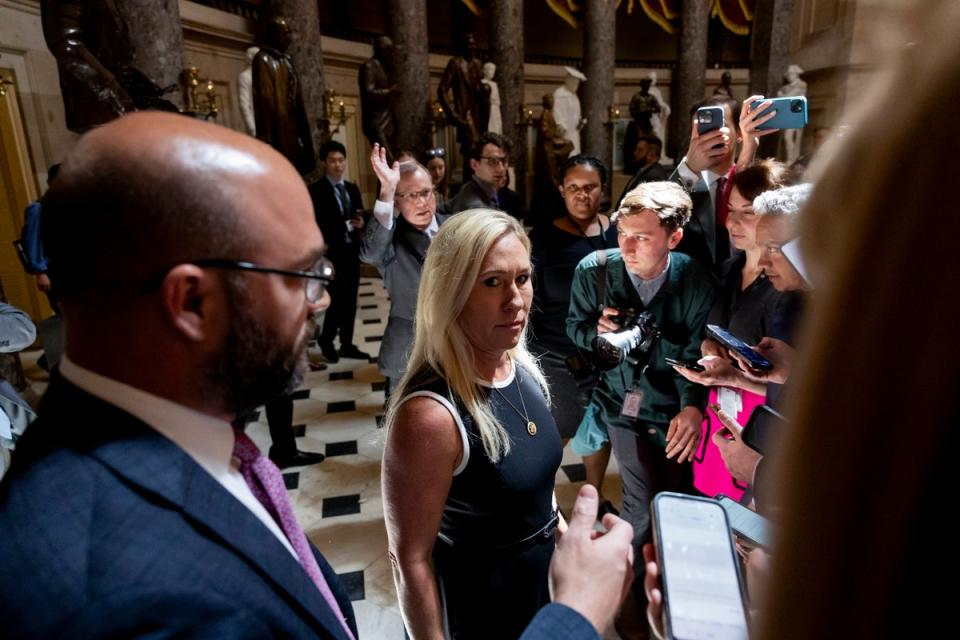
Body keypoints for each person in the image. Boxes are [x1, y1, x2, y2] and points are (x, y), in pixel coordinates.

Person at [0, 112, 358, 638]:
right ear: (191, 302)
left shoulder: (196, 434)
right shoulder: (117, 599)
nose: (321, 299)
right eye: (303, 275)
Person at [383, 209, 565, 639]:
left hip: (541, 589)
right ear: (452, 292)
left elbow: (540, 489)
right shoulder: (430, 416)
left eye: (523, 278)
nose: (515, 300)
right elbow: (409, 560)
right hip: (484, 609)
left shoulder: (520, 368)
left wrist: (571, 551)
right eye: (492, 282)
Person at [566, 180, 718, 635]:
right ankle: (624, 594)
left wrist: (692, 408)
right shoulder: (594, 270)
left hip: (673, 405)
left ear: (673, 238)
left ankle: (666, 590)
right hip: (619, 403)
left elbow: (698, 349)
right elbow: (573, 330)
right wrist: (597, 334)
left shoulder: (694, 279)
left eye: (642, 237)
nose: (627, 247)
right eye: (622, 234)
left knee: (675, 496)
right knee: (643, 498)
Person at [669, 161, 791, 499]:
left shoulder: (788, 286)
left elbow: (790, 382)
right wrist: (710, 349)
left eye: (747, 212)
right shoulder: (729, 268)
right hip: (720, 409)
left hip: (761, 423)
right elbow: (715, 332)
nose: (733, 222)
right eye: (730, 209)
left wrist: (731, 375)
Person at [529, 155, 619, 514]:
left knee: (600, 426)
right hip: (556, 351)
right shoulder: (544, 238)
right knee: (557, 430)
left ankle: (593, 495)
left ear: (603, 189)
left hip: (607, 352)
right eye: (574, 188)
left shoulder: (615, 231)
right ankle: (539, 504)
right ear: (562, 191)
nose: (582, 195)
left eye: (590, 187)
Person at [361, 144, 449, 395]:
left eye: (426, 192)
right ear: (397, 201)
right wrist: (386, 191)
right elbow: (369, 253)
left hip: (457, 349)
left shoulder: (453, 226)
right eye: (411, 196)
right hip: (409, 355)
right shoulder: (390, 241)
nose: (422, 202)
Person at [671, 94, 776, 272]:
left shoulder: (758, 181)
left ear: (739, 132)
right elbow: (659, 218)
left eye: (720, 127)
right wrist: (689, 167)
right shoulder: (682, 182)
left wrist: (749, 149)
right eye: (702, 129)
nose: (711, 137)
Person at [311, 140, 370, 363]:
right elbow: (316, 224)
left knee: (351, 299)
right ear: (325, 163)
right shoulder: (316, 191)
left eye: (341, 160)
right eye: (333, 160)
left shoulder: (352, 189)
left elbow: (358, 214)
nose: (338, 165)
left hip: (351, 252)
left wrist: (360, 223)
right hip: (331, 254)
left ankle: (347, 343)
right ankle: (326, 339)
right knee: (336, 299)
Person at [252, 15, 315, 175]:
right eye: (284, 33)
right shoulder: (262, 59)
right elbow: (265, 102)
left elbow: (297, 99)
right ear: (273, 34)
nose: (289, 38)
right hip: (277, 132)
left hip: (292, 128)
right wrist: (266, 140)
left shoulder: (287, 61)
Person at [437, 33, 485, 179]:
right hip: (465, 115)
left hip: (479, 115)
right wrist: (452, 114)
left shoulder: (478, 64)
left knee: (479, 151)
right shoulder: (456, 63)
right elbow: (442, 89)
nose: (472, 47)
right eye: (469, 44)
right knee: (470, 152)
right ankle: (469, 191)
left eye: (474, 44)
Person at [443, 131, 510, 214]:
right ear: (474, 164)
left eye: (504, 161)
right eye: (493, 161)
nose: (501, 169)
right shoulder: (477, 209)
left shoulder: (469, 187)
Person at [359, 36, 399, 159]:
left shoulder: (386, 67)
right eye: (389, 50)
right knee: (388, 160)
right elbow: (368, 92)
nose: (391, 54)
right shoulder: (369, 66)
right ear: (381, 50)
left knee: (392, 161)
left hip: (388, 118)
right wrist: (389, 92)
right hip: (376, 121)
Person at [617, 135, 670, 207]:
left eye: (640, 150)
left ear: (652, 155)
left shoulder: (654, 177)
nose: (635, 153)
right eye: (636, 149)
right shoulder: (643, 170)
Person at [553, 66, 586, 155]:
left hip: (574, 133)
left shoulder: (574, 96)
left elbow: (576, 114)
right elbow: (558, 114)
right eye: (575, 82)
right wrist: (561, 128)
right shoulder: (560, 94)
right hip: (565, 134)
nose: (576, 85)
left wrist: (580, 123)